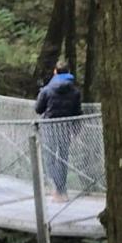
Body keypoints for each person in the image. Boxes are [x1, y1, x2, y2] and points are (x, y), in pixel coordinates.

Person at [35, 62, 82, 202]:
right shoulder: (75, 91)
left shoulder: (47, 90)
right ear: (69, 72)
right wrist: (76, 130)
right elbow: (77, 113)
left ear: (55, 72)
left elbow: (38, 109)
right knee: (62, 159)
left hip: (49, 128)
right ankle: (63, 191)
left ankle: (56, 190)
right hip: (65, 128)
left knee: (49, 159)